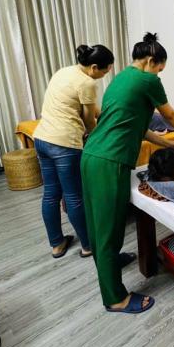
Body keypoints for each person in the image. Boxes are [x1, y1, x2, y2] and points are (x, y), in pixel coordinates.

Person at [81, 32, 174, 314]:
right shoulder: (148, 80)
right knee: (109, 230)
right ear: (151, 61)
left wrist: (168, 143)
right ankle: (115, 298)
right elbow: (170, 114)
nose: (159, 75)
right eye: (160, 69)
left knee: (97, 223)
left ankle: (108, 262)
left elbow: (136, 128)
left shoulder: (120, 79)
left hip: (91, 155)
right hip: (110, 161)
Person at [33, 44, 114, 259]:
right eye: (105, 71)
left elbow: (89, 108)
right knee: (74, 197)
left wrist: (106, 114)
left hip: (41, 139)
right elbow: (88, 120)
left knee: (51, 194)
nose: (105, 75)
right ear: (94, 67)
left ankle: (57, 244)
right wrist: (99, 137)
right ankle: (88, 246)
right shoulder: (88, 82)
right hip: (64, 144)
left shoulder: (64, 72)